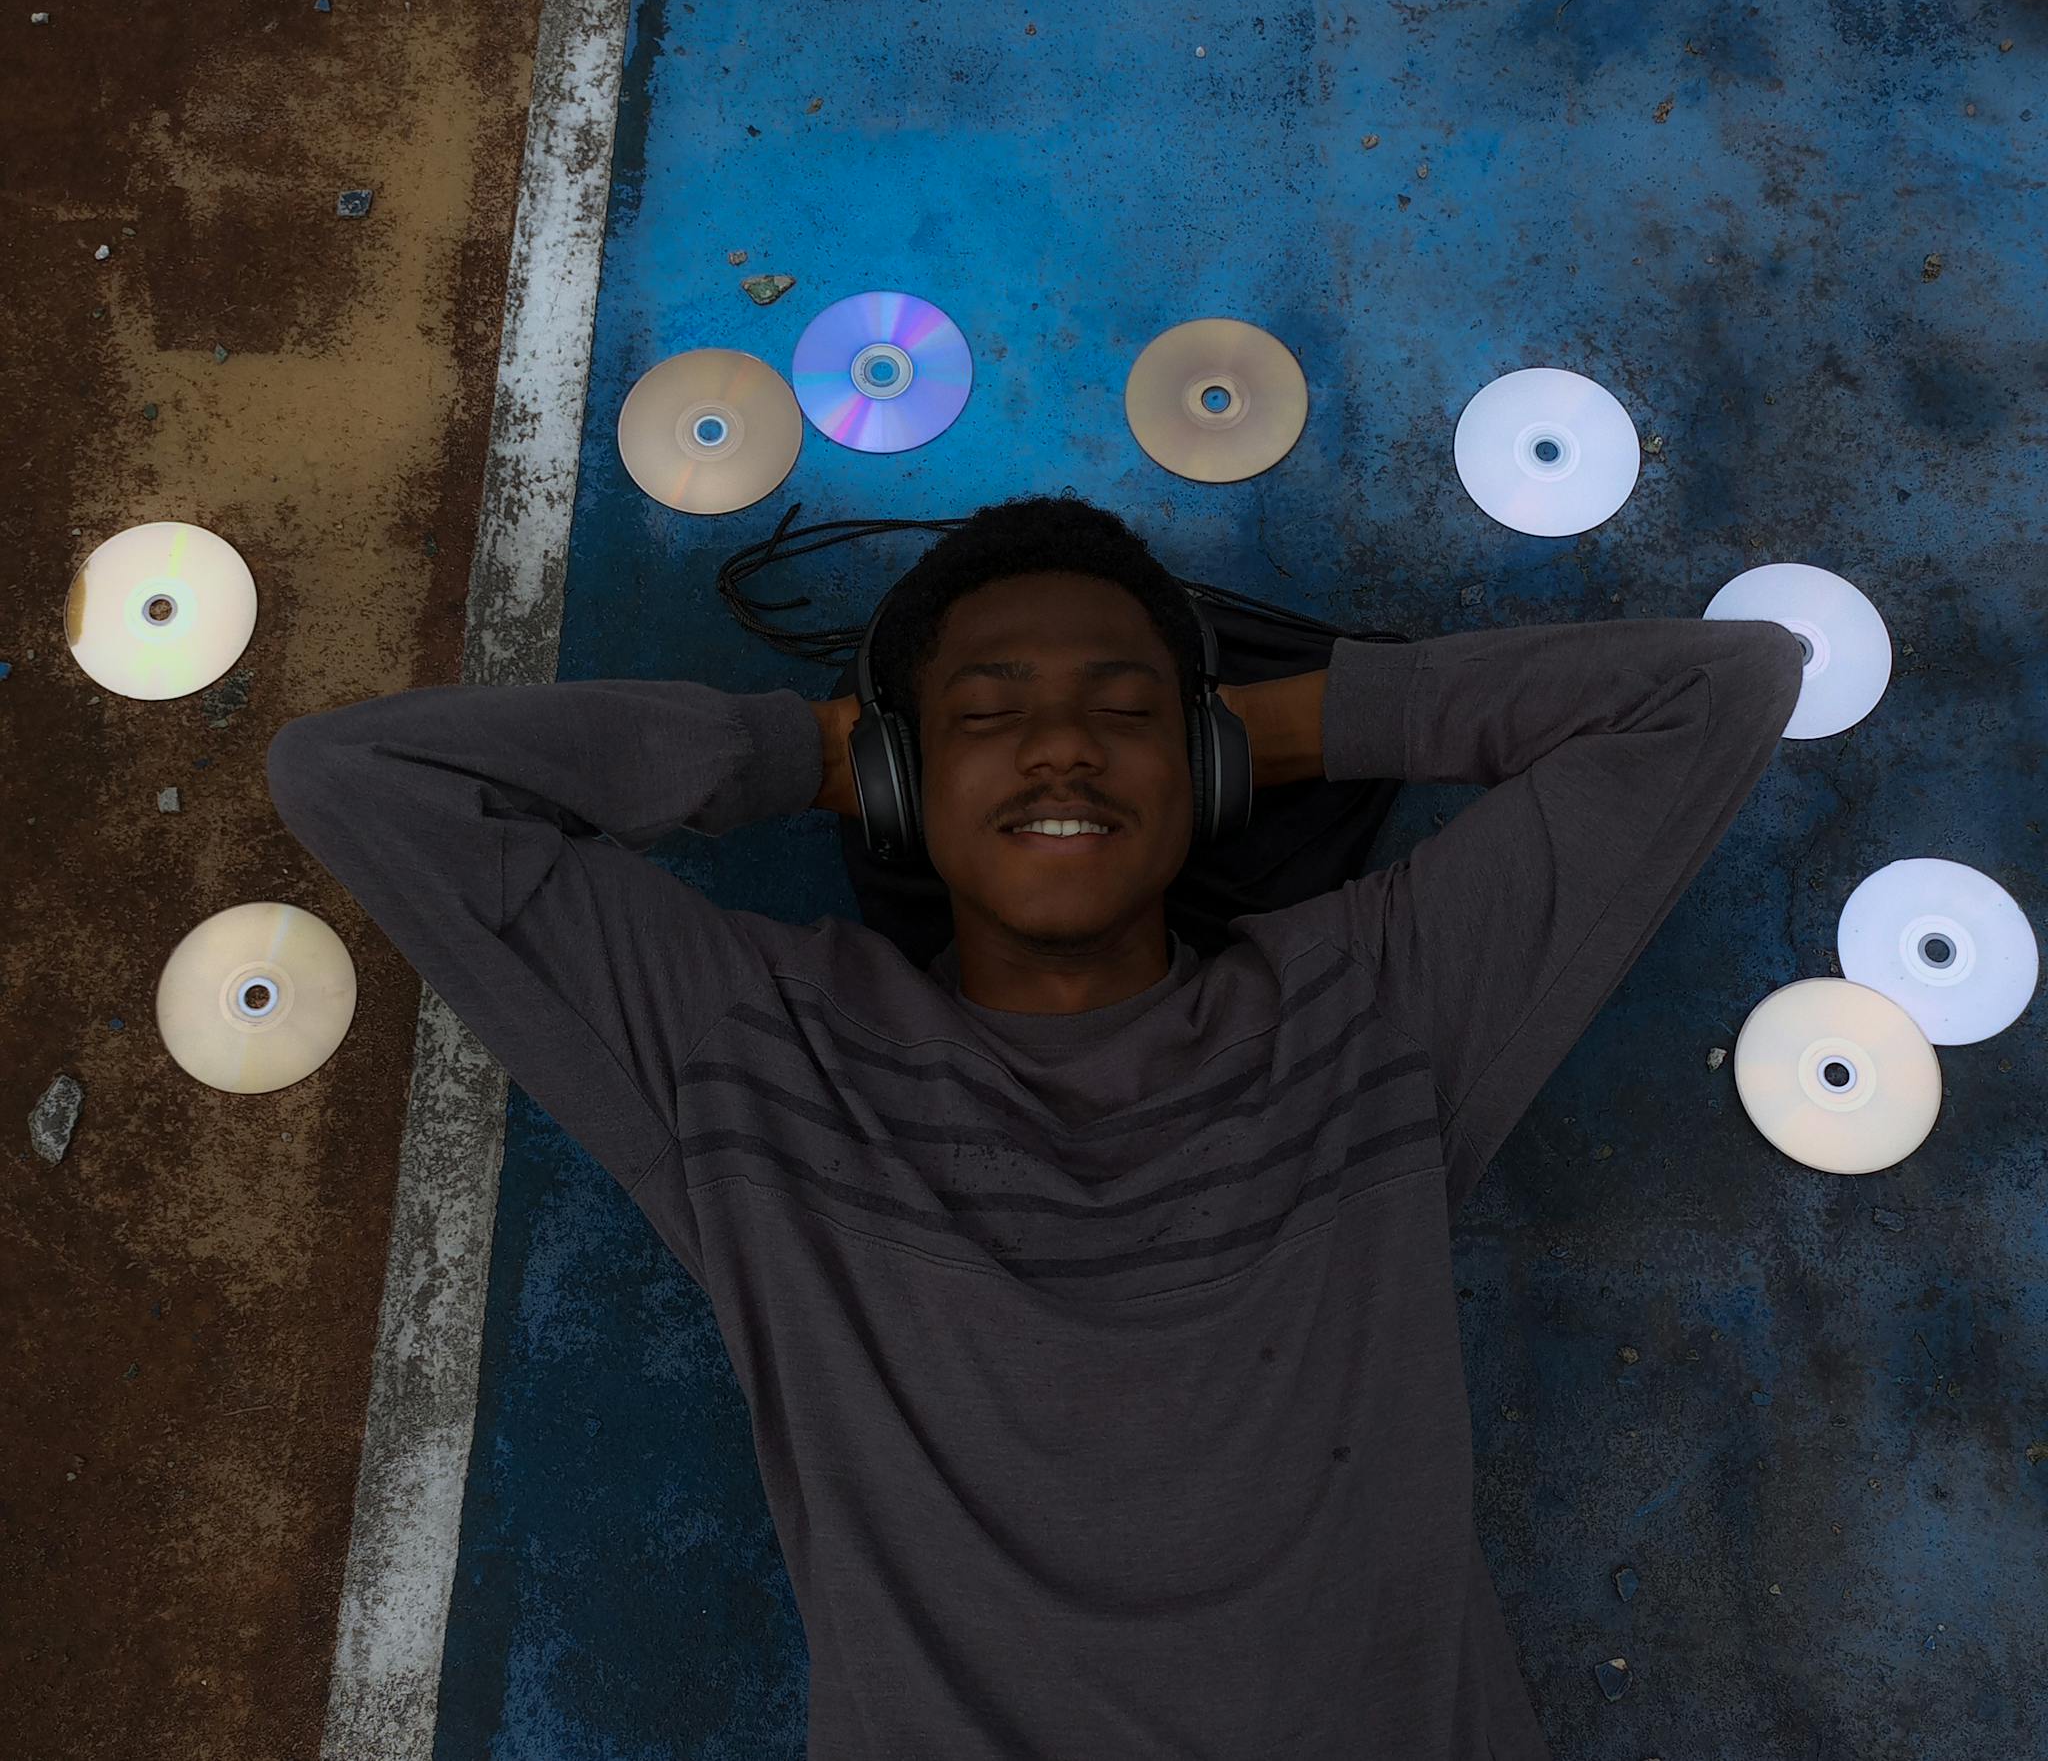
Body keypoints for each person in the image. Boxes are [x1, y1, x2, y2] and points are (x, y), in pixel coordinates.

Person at [266, 492, 1806, 1760]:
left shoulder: (1380, 1005)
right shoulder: (754, 1050)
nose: (1063, 746)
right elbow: (366, 779)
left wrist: (1266, 733)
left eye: (1126, 714)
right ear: (896, 776)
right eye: (987, 716)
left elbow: (1719, 688)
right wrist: (810, 754)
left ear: (1202, 764)